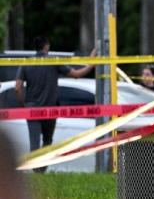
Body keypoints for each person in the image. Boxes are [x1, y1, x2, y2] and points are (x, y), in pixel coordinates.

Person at [15, 36, 96, 173]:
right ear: (46, 47)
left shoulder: (26, 64)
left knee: (34, 143)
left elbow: (17, 88)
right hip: (50, 109)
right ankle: (42, 170)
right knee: (47, 140)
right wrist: (92, 63)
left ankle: (36, 173)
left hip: (32, 109)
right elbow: (76, 74)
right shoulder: (54, 61)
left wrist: (24, 106)